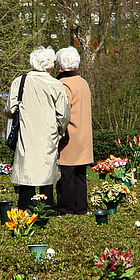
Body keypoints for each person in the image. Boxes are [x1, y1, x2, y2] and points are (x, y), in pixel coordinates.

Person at [4, 46, 70, 211]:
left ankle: (25, 210)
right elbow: (63, 115)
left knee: (27, 175)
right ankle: (46, 211)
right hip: (48, 136)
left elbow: (10, 110)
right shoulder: (55, 84)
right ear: (50, 65)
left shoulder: (20, 82)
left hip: (26, 135)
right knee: (46, 176)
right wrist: (60, 132)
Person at [55, 46, 94, 215]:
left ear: (60, 66)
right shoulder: (83, 82)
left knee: (66, 177)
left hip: (69, 137)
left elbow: (62, 112)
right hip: (84, 137)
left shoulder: (63, 84)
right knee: (80, 177)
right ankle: (81, 208)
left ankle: (67, 209)